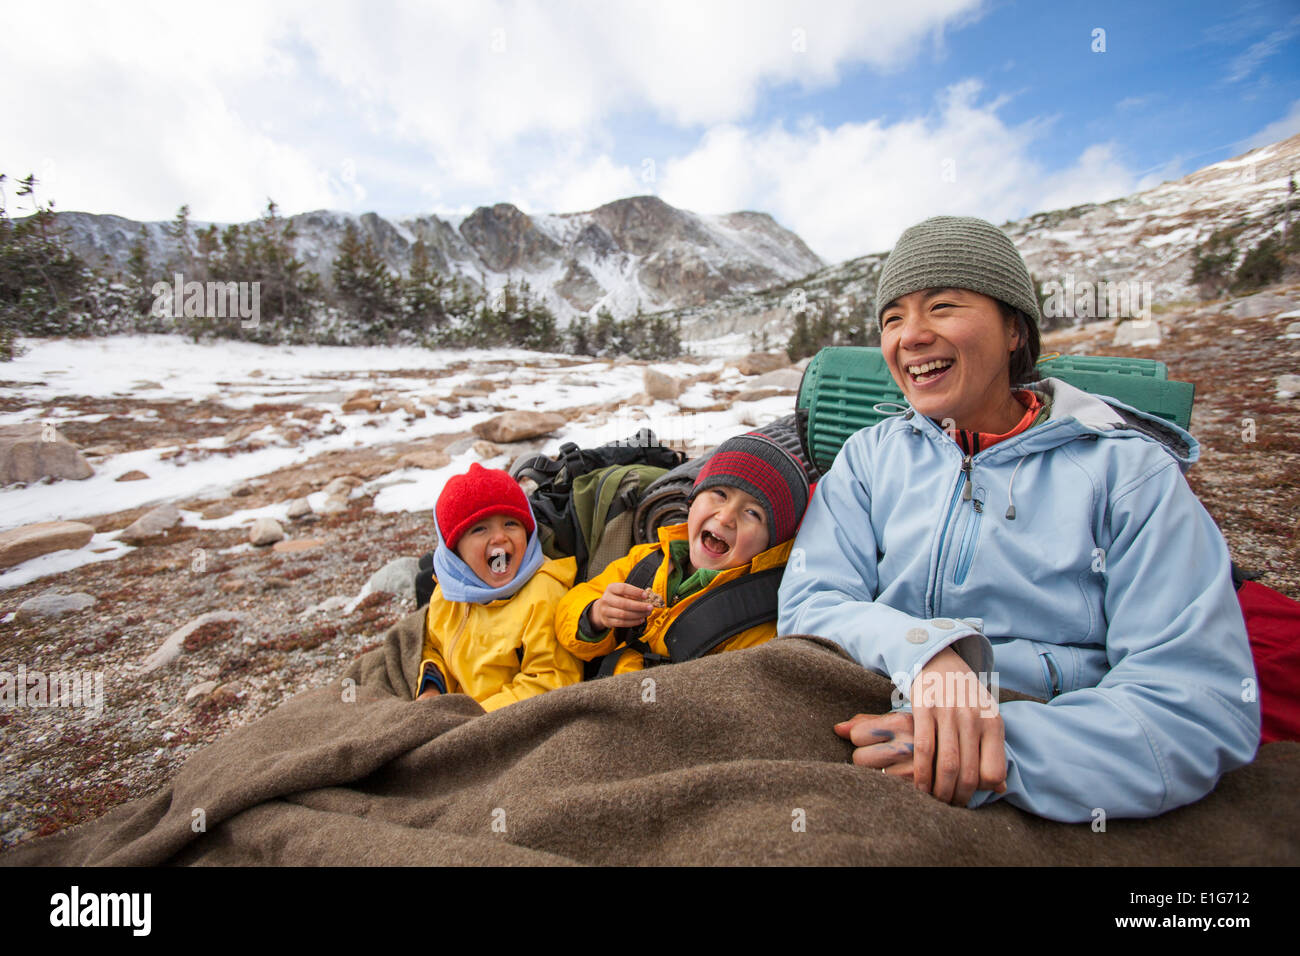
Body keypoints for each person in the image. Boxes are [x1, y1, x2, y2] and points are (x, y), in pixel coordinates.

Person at [777, 215, 1260, 822]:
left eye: (942, 306)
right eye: (892, 318)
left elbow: (1199, 704)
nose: (911, 336)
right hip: (871, 691)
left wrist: (1001, 751)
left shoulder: (1126, 473)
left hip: (1040, 738)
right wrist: (929, 651)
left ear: (1013, 327)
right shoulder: (870, 457)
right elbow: (811, 605)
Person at [556, 433, 810, 675]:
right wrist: (595, 615)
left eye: (753, 513)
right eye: (719, 494)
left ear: (772, 543)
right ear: (693, 499)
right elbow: (572, 606)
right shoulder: (647, 560)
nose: (726, 517)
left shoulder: (756, 620)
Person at [417, 462, 583, 710]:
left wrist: (473, 717)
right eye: (480, 529)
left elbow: (551, 681)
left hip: (509, 721)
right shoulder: (448, 593)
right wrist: (433, 687)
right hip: (460, 712)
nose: (499, 537)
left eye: (511, 524)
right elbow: (435, 647)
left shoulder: (543, 594)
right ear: (454, 551)